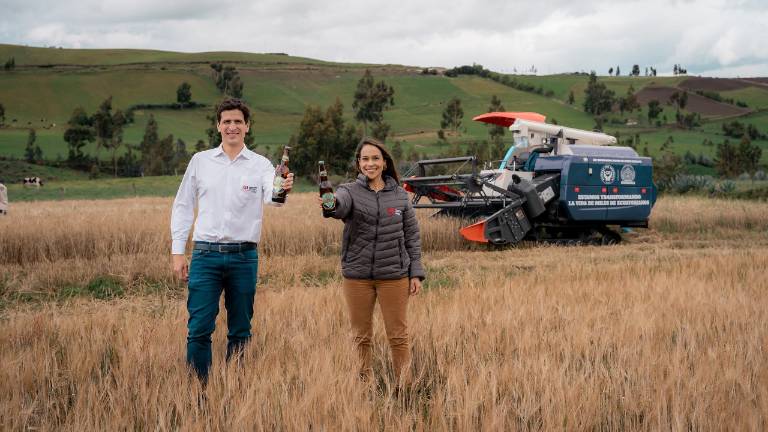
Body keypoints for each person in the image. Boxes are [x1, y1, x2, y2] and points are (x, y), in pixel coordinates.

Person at [170, 98, 294, 382]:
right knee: (199, 328)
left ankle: (234, 387)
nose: (232, 126)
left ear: (247, 127)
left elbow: (273, 200)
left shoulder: (261, 165)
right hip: (205, 256)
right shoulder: (200, 162)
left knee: (240, 329)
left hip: (243, 257)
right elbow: (183, 205)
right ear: (218, 126)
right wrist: (178, 252)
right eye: (227, 121)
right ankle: (197, 391)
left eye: (238, 121)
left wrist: (283, 188)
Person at [322, 137, 425, 384]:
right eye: (365, 159)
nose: (370, 163)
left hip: (394, 276)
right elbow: (338, 207)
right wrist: (330, 203)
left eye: (375, 158)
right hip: (357, 277)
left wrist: (415, 273)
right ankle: (364, 385)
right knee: (360, 336)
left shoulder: (400, 196)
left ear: (385, 163)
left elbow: (412, 236)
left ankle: (405, 386)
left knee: (398, 336)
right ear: (359, 164)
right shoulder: (348, 191)